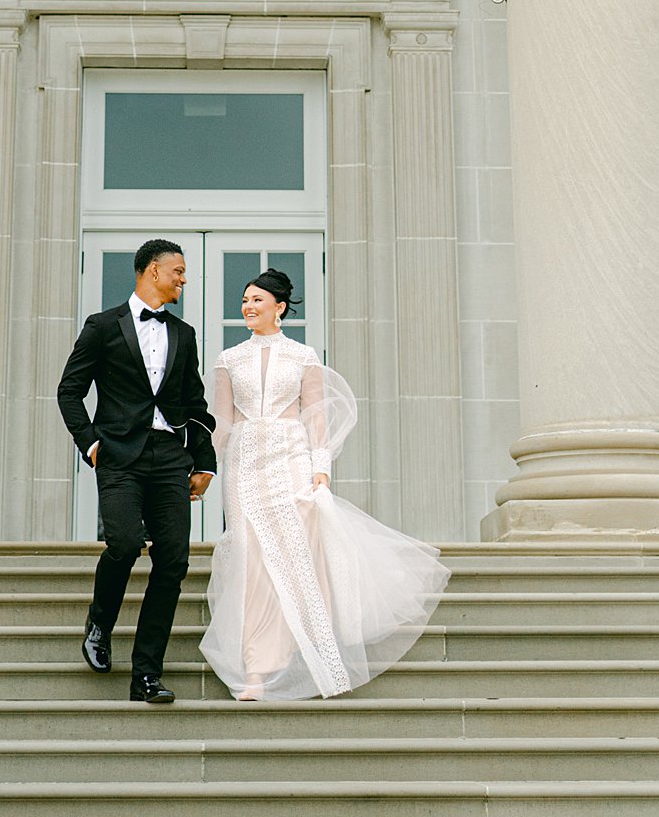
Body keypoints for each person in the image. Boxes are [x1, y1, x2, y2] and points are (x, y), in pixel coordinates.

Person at [200, 267, 449, 702]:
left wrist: (321, 468)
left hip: (292, 456)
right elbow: (222, 421)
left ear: (279, 307)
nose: (248, 307)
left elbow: (314, 414)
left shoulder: (303, 356)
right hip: (245, 464)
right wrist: (201, 465)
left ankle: (307, 652)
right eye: (244, 300)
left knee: (298, 554)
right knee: (251, 559)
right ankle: (256, 668)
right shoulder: (228, 359)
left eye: (257, 300)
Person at [56, 237, 216, 704]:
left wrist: (203, 461)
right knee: (124, 543)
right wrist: (90, 443)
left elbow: (195, 404)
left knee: (174, 562)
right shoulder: (103, 326)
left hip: (170, 457)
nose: (184, 279)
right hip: (119, 456)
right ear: (151, 272)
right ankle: (100, 624)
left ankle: (146, 674)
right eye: (178, 271)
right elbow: (69, 391)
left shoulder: (183, 336)